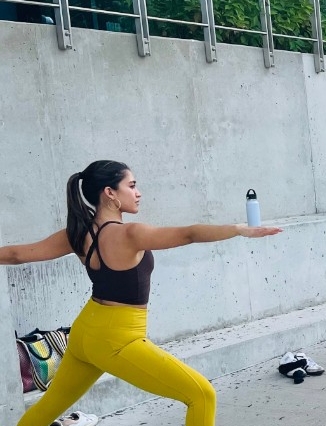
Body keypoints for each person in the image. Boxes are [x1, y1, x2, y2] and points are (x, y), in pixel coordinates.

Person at [2, 160, 283, 426]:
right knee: (201, 394)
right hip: (117, 339)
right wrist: (237, 230)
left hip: (85, 333)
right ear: (110, 193)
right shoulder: (129, 234)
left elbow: (16, 255)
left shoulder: (78, 232)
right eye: (132, 185)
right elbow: (188, 234)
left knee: (46, 409)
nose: (138, 193)